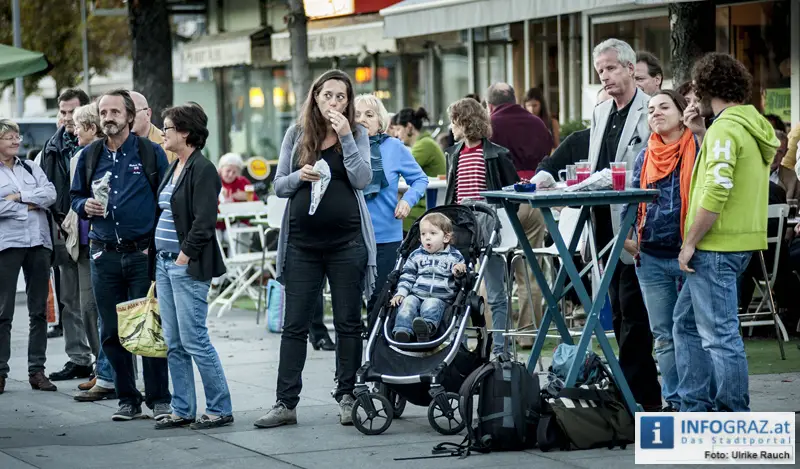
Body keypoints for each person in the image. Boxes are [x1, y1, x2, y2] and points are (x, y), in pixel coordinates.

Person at [253, 70, 375, 429]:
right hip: (303, 245)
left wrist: (347, 137)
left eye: (341, 97)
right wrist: (298, 177)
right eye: (328, 96)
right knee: (295, 325)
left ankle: (348, 396)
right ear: (315, 98)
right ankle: (285, 402)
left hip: (347, 243)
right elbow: (278, 186)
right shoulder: (296, 133)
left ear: (348, 102)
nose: (334, 102)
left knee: (348, 323)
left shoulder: (358, 134)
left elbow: (362, 179)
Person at [675, 53, 778, 412]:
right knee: (685, 325)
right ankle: (695, 406)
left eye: (694, 92)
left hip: (715, 246)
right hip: (740, 241)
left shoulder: (725, 129)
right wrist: (702, 134)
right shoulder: (749, 124)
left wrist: (690, 243)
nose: (691, 100)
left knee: (720, 337)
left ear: (706, 89)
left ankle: (732, 416)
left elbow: (717, 190)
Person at [70, 89, 172, 421]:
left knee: (148, 330)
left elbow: (164, 200)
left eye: (115, 111)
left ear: (130, 116)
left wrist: (153, 245)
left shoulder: (149, 152)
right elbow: (73, 198)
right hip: (104, 255)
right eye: (103, 112)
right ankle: (127, 398)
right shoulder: (89, 156)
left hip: (142, 253)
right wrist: (84, 206)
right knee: (112, 331)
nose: (108, 117)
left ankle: (159, 400)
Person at [588, 38, 662, 411]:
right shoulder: (600, 112)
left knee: (635, 314)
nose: (605, 76)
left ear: (631, 69)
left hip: (637, 226)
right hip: (602, 222)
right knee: (617, 310)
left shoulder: (651, 111)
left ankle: (639, 400)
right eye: (600, 69)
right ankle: (636, 395)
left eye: (612, 67)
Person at [152, 104, 233, 430]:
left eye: (168, 128)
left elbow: (203, 222)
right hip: (164, 264)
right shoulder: (176, 167)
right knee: (173, 341)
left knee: (194, 339)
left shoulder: (202, 168)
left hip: (185, 266)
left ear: (185, 132)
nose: (163, 133)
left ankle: (219, 407)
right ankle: (182, 408)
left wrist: (184, 256)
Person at [623, 90, 698, 412]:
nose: (655, 113)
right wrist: (626, 233)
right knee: (664, 336)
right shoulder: (645, 153)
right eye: (651, 109)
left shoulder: (699, 148)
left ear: (682, 113)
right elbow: (633, 197)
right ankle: (676, 402)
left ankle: (697, 401)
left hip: (690, 255)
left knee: (690, 334)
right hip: (650, 256)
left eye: (664, 107)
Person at [443, 97, 518, 355]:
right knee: (458, 287)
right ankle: (459, 347)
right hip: (461, 222)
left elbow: (512, 191)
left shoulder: (497, 154)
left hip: (488, 221)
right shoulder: (453, 154)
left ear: (465, 122)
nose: (451, 128)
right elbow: (452, 192)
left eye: (454, 122)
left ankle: (501, 348)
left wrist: (500, 221)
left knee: (496, 289)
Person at [486, 82, 551, 346]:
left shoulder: (490, 124)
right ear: (515, 98)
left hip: (502, 200)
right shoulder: (537, 122)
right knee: (530, 269)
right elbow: (548, 152)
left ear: (490, 104)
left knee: (493, 272)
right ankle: (528, 334)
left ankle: (497, 334)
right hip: (534, 197)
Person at [39, 88, 95, 381]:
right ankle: (78, 357)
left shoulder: (95, 145)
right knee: (69, 298)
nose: (66, 118)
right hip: (62, 229)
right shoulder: (49, 148)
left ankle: (104, 361)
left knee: (93, 301)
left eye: (72, 112)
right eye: (62, 112)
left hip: (91, 232)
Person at [355, 94, 428, 313]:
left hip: (386, 233)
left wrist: (407, 200)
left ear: (381, 121)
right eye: (356, 114)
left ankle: (376, 347)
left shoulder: (394, 147)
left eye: (369, 114)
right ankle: (352, 347)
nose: (362, 119)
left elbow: (420, 180)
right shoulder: (343, 147)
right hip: (351, 235)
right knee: (349, 300)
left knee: (380, 300)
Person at [0, 119, 58, 394]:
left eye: (17, 136)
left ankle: (37, 371)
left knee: (38, 311)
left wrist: (19, 197)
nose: (16, 141)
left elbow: (50, 194)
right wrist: (29, 205)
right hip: (7, 246)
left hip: (39, 244)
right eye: (9, 137)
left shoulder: (31, 167)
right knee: (3, 312)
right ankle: (0, 372)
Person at [67, 104, 117, 402]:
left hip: (112, 241)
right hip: (86, 242)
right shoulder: (80, 157)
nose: (73, 131)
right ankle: (103, 369)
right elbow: (74, 197)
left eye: (78, 126)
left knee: (112, 311)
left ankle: (111, 372)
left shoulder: (110, 155)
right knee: (88, 307)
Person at [391, 213, 466, 343]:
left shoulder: (454, 257)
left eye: (432, 233)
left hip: (440, 297)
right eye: (423, 234)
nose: (427, 238)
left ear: (446, 237)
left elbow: (462, 280)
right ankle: (402, 331)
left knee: (431, 304)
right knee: (407, 302)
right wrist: (401, 292)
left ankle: (426, 329)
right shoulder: (416, 255)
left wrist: (458, 272)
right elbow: (407, 275)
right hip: (417, 294)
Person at [396, 107, 446, 233]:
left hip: (424, 207)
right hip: (426, 203)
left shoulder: (424, 145)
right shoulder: (425, 143)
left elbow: (398, 168)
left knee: (391, 217)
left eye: (398, 129)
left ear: (408, 127)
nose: (396, 134)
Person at [130, 91, 178, 163]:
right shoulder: (113, 146)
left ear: (148, 114)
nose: (128, 117)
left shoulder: (170, 147)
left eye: (132, 112)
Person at [771, 130, 800, 201]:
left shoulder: (793, 179)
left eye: (779, 152)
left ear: (785, 153)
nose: (775, 155)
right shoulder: (749, 173)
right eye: (772, 150)